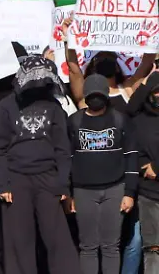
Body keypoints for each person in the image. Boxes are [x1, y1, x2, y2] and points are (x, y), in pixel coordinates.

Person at [0, 56, 79, 274]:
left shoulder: (54, 106)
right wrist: (3, 184)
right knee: (20, 242)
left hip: (48, 178)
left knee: (59, 240)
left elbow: (63, 149)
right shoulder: (6, 105)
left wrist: (63, 184)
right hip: (16, 179)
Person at [67, 74, 137, 274]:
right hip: (83, 191)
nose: (95, 100)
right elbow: (66, 159)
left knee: (110, 246)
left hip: (115, 189)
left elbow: (131, 156)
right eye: (92, 96)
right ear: (86, 97)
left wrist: (129, 192)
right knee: (88, 246)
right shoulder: (74, 121)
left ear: (106, 96)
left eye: (99, 95)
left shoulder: (120, 119)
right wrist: (68, 192)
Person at [132, 72, 159, 272]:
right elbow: (134, 154)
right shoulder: (138, 121)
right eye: (156, 91)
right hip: (148, 194)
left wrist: (156, 167)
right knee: (152, 249)